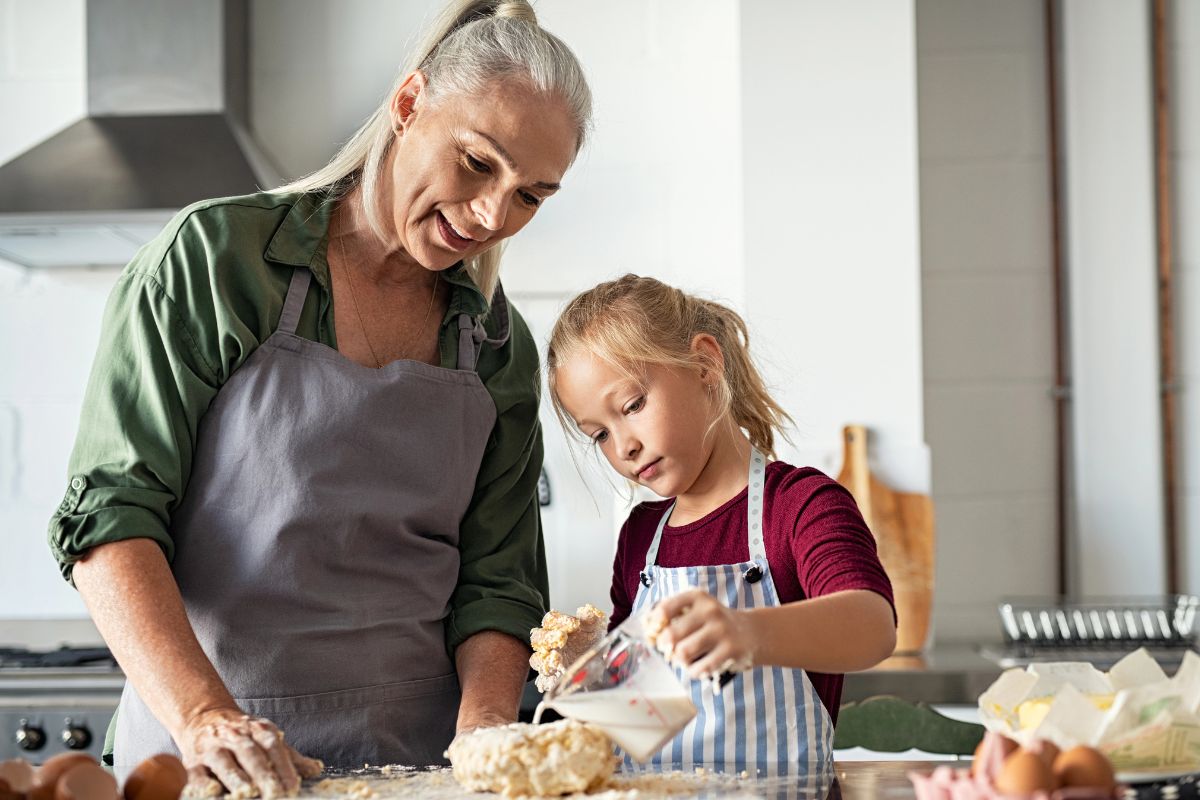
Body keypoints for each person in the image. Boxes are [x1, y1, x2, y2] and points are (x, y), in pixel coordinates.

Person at [47, 0, 591, 794]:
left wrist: (484, 747)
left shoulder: (496, 348)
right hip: (208, 761)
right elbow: (110, 515)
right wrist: (204, 718)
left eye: (531, 195)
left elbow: (498, 584)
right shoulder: (219, 263)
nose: (492, 216)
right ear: (409, 105)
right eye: (477, 163)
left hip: (419, 773)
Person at [544, 275, 897, 776]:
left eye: (632, 406)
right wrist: (590, 669)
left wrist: (747, 631)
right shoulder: (641, 538)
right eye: (600, 433)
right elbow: (642, 724)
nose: (623, 446)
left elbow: (873, 626)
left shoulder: (797, 505)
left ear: (705, 363)